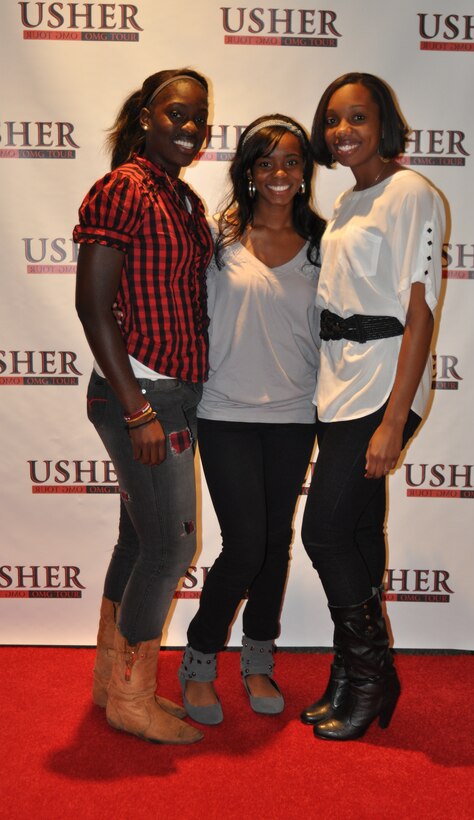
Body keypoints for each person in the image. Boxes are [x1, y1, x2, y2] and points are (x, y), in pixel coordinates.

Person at [300, 73, 446, 741]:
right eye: (333, 119)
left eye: (357, 117)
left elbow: (420, 313)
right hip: (339, 384)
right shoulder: (347, 200)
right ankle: (350, 673)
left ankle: (371, 674)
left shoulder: (410, 192)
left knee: (324, 532)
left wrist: (393, 420)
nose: (343, 131)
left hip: (383, 383)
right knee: (355, 531)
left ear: (383, 122)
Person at [74, 68, 213, 745]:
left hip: (171, 391)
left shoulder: (178, 196)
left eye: (198, 117)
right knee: (171, 545)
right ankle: (131, 699)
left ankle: (111, 681)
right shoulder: (123, 188)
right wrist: (137, 411)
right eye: (175, 114)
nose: (189, 127)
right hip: (143, 395)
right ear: (145, 118)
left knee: (139, 539)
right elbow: (92, 307)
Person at [178, 115, 325, 724]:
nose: (279, 174)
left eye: (291, 161)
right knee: (244, 545)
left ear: (305, 171)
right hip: (225, 411)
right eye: (265, 163)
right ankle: (199, 660)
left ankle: (258, 658)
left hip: (296, 414)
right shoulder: (216, 240)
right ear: (247, 172)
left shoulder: (324, 242)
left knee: (274, 541)